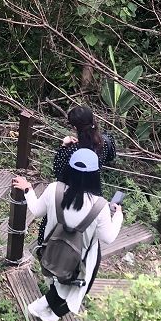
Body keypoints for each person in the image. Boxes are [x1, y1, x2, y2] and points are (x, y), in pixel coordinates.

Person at [12, 148, 123, 321]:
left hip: (53, 248)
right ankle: (43, 306)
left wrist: (28, 189)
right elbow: (108, 237)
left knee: (60, 275)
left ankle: (51, 313)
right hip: (82, 256)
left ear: (69, 170)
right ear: (95, 175)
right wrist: (118, 216)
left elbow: (36, 210)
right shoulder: (100, 206)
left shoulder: (54, 189)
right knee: (80, 285)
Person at [38, 106, 116, 247]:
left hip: (69, 195)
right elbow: (112, 156)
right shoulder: (104, 143)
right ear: (93, 120)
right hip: (93, 195)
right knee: (88, 234)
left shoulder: (73, 150)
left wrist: (63, 146)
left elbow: (58, 170)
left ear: (74, 127)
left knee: (55, 229)